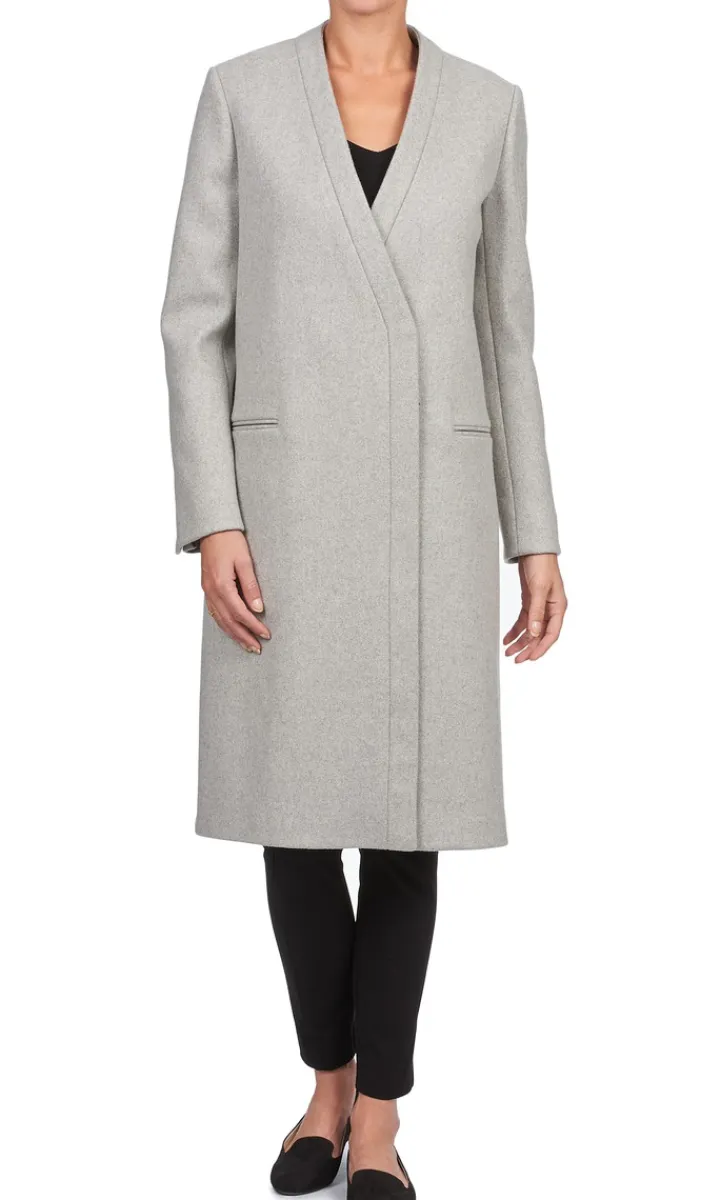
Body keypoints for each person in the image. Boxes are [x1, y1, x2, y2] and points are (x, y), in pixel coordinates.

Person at [162, 2, 567, 1195]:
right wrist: (214, 515)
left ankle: (379, 1113)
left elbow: (507, 337)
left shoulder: (489, 109)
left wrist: (535, 535)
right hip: (282, 508)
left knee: (407, 819)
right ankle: (325, 1084)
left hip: (433, 504)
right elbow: (193, 322)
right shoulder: (241, 93)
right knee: (292, 817)